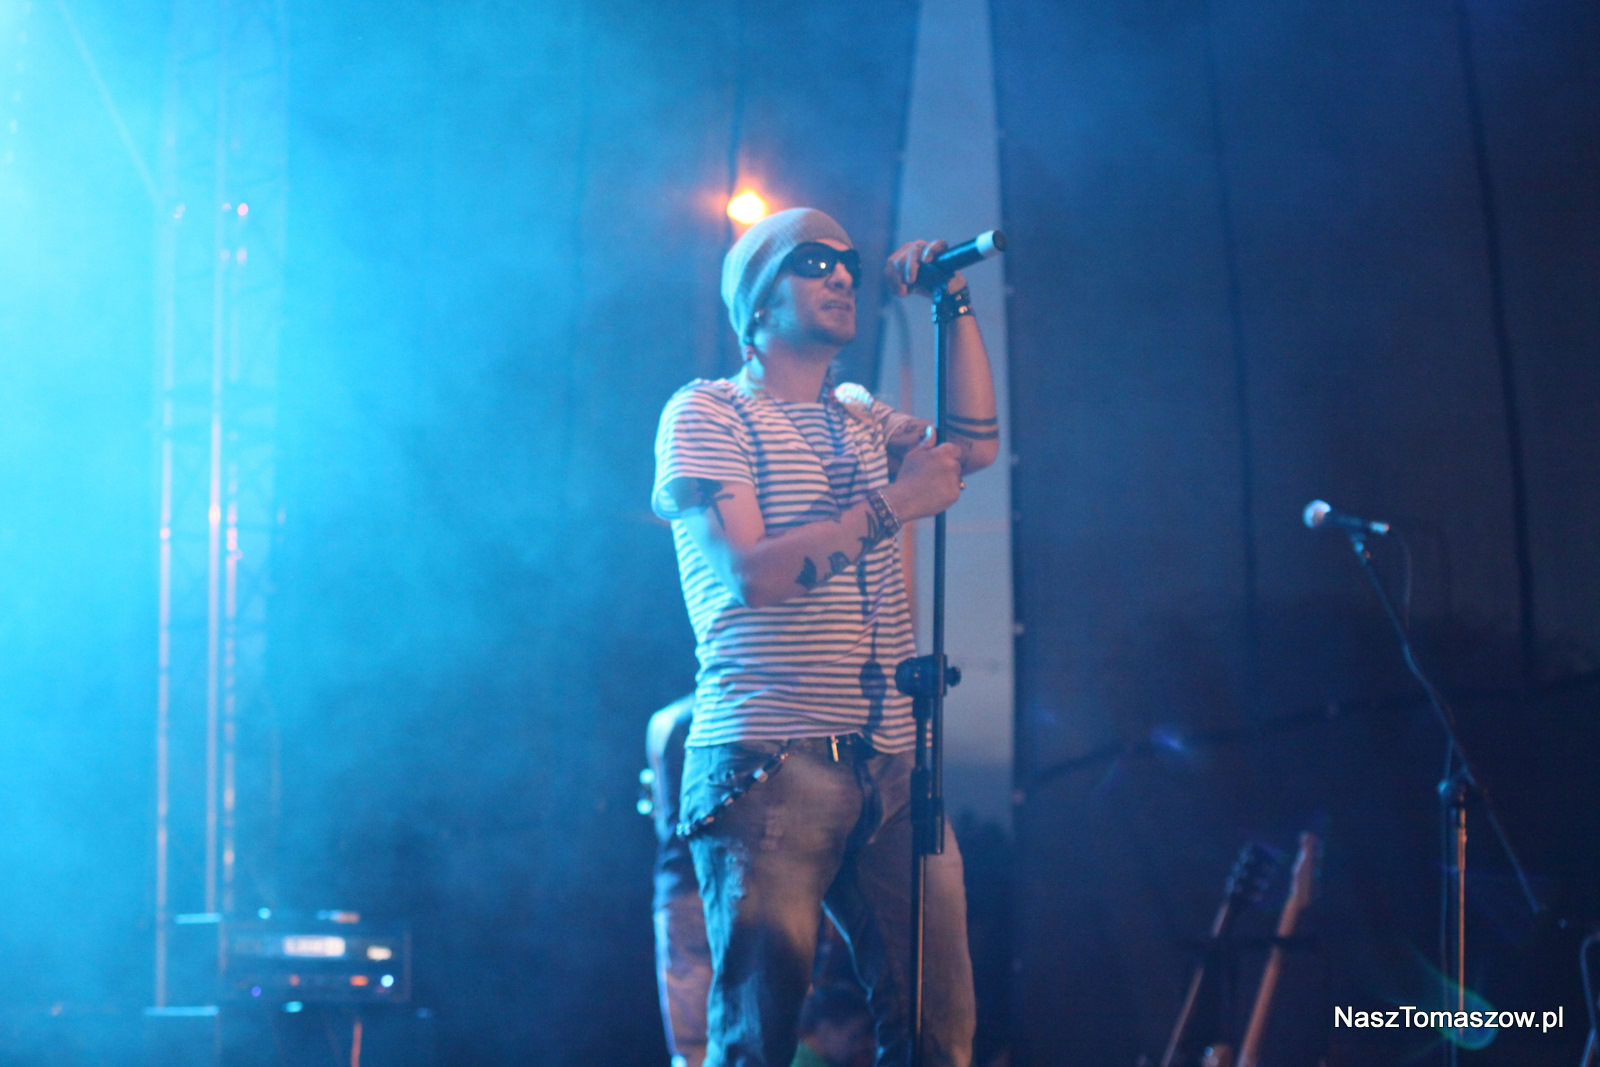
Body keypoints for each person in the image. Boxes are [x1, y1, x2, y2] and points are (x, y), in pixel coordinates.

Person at [650, 206, 1000, 1067]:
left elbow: (971, 448)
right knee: (758, 1040)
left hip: (890, 760)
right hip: (770, 760)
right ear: (758, 301)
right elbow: (754, 575)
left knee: (939, 1031)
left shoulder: (860, 414)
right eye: (813, 261)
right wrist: (893, 503)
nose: (842, 274)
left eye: (847, 261)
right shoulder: (708, 411)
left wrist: (951, 300)